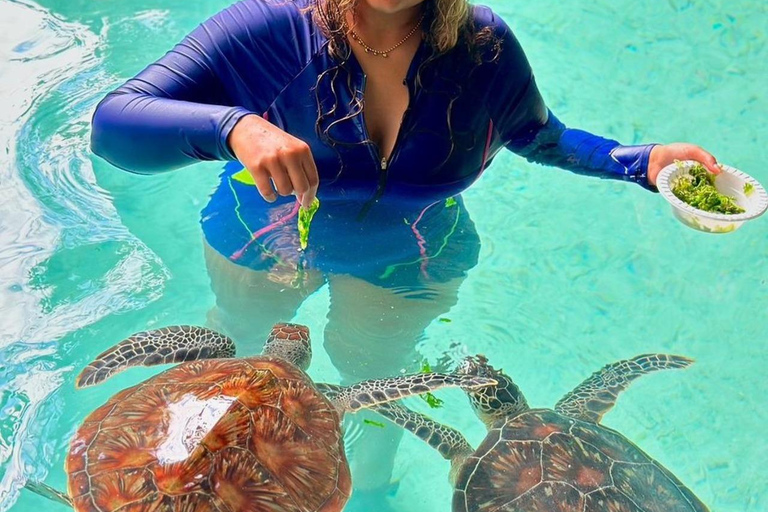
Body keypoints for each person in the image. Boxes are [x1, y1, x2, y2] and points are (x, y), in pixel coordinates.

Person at [90, 0, 720, 506]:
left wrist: (643, 163)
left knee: (375, 380)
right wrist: (234, 127)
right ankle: (162, 484)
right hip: (264, 241)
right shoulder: (271, 26)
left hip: (410, 257)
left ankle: (367, 496)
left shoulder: (483, 49)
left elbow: (539, 135)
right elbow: (115, 127)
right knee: (235, 351)